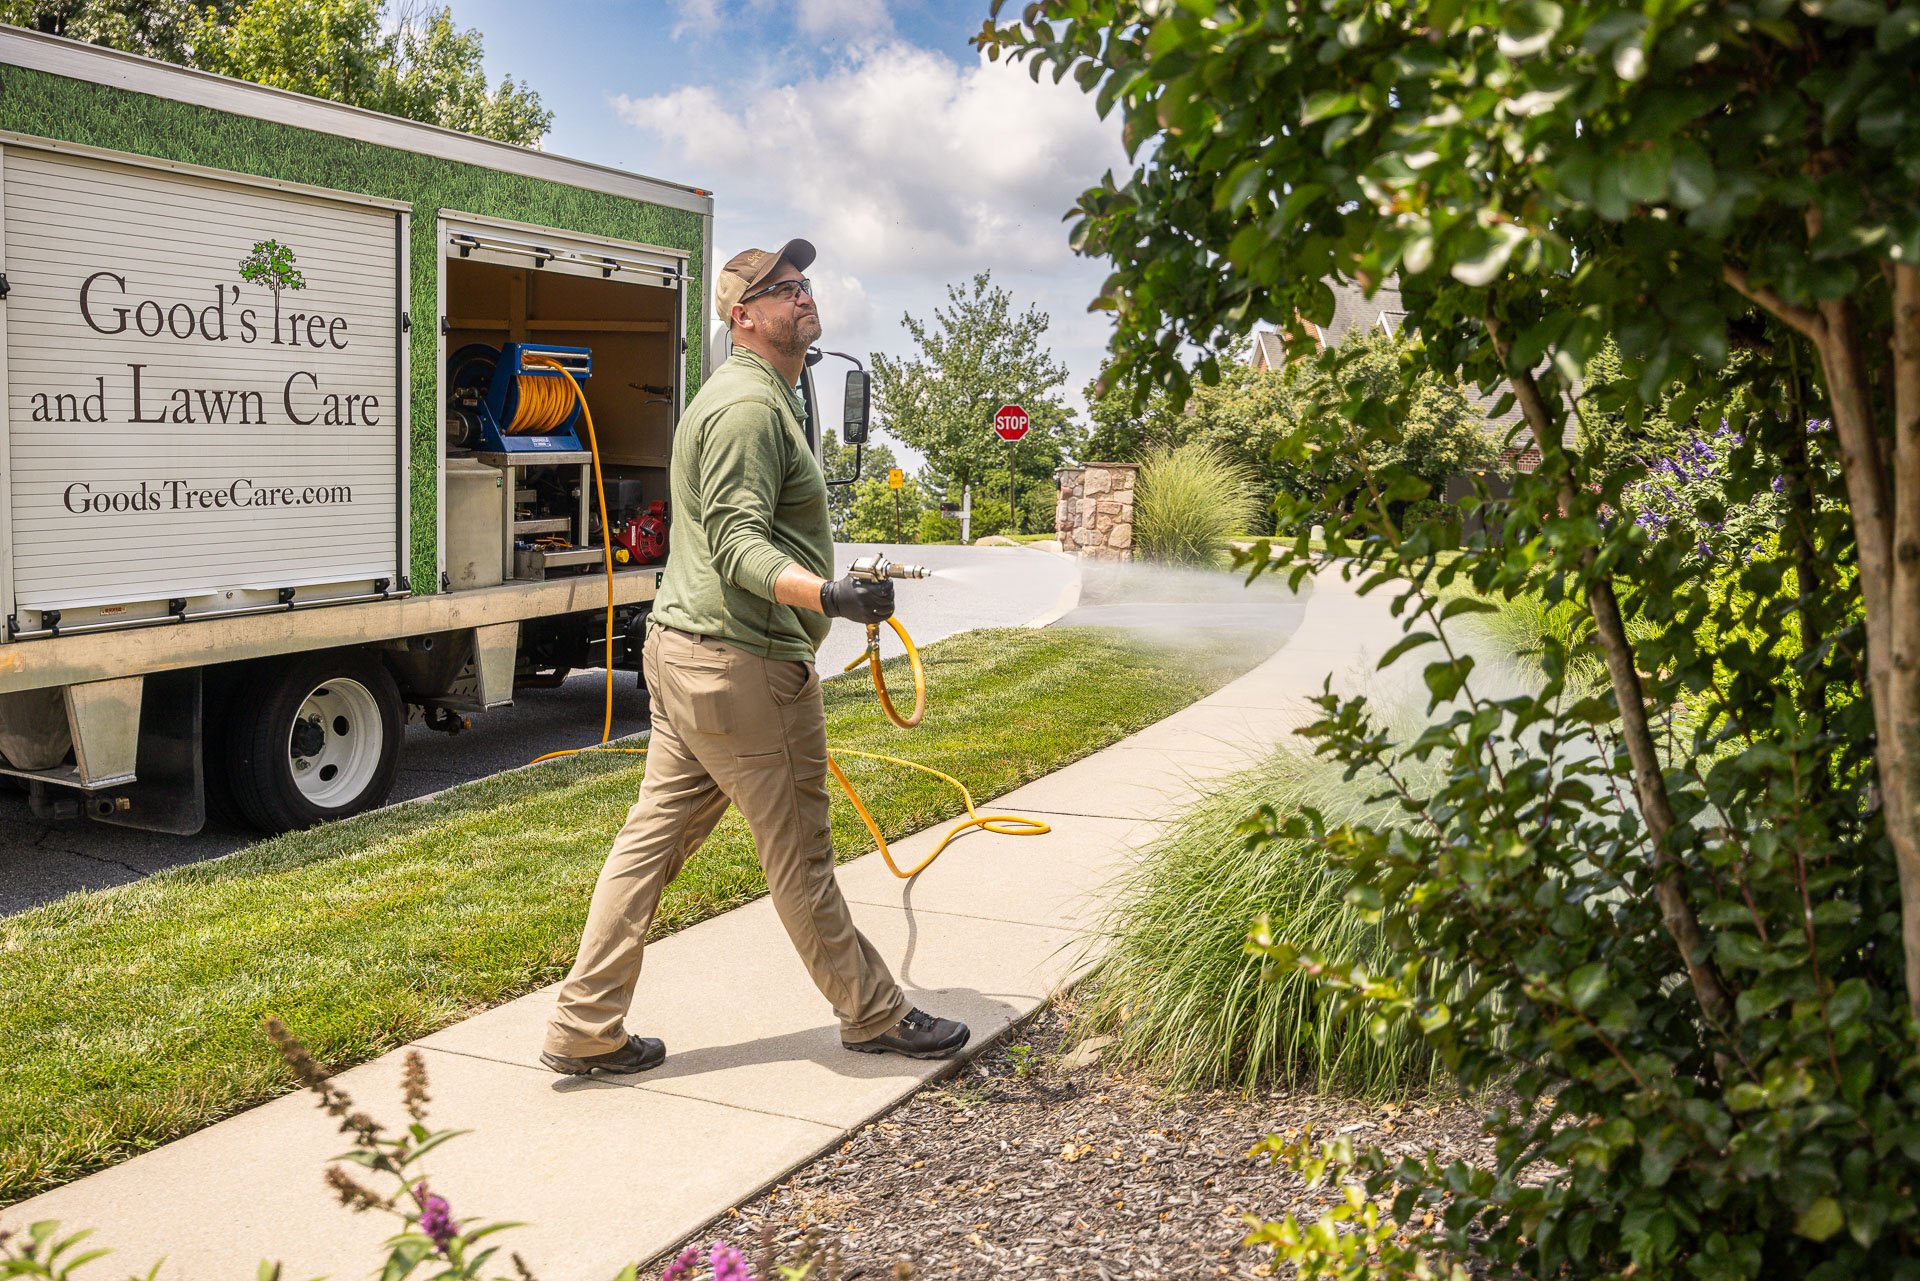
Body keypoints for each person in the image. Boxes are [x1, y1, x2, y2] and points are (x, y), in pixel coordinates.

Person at [540, 238, 970, 1076]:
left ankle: (583, 1025)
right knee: (800, 854)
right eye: (782, 289)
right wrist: (830, 598)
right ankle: (873, 1013)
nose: (801, 296)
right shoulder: (746, 408)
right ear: (743, 317)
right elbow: (738, 542)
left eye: (804, 283)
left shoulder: (760, 395)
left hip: (688, 655)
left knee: (648, 848)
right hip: (740, 666)